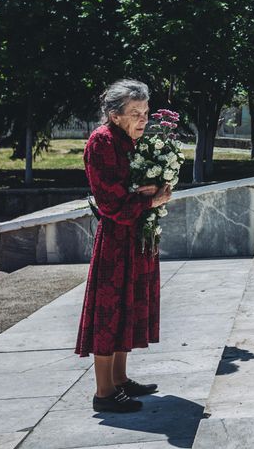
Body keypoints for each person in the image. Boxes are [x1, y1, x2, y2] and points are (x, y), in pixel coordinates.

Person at [75, 79, 172, 413]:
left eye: (145, 112)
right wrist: (149, 200)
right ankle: (104, 392)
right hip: (116, 240)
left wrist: (156, 189)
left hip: (134, 237)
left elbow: (134, 186)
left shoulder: (130, 141)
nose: (143, 120)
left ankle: (119, 379)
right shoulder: (102, 142)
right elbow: (109, 201)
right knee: (109, 310)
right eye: (135, 113)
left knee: (127, 306)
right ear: (115, 115)